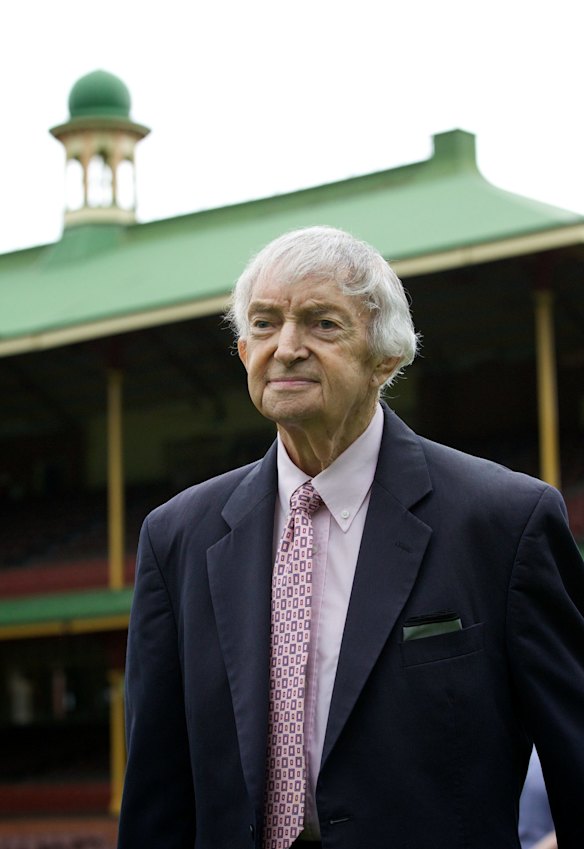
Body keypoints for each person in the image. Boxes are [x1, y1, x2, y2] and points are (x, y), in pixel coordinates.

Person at [118, 226, 584, 848]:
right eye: (263, 324)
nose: (286, 347)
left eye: (322, 323)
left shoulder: (505, 521)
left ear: (385, 357)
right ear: (241, 351)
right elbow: (156, 791)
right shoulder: (176, 537)